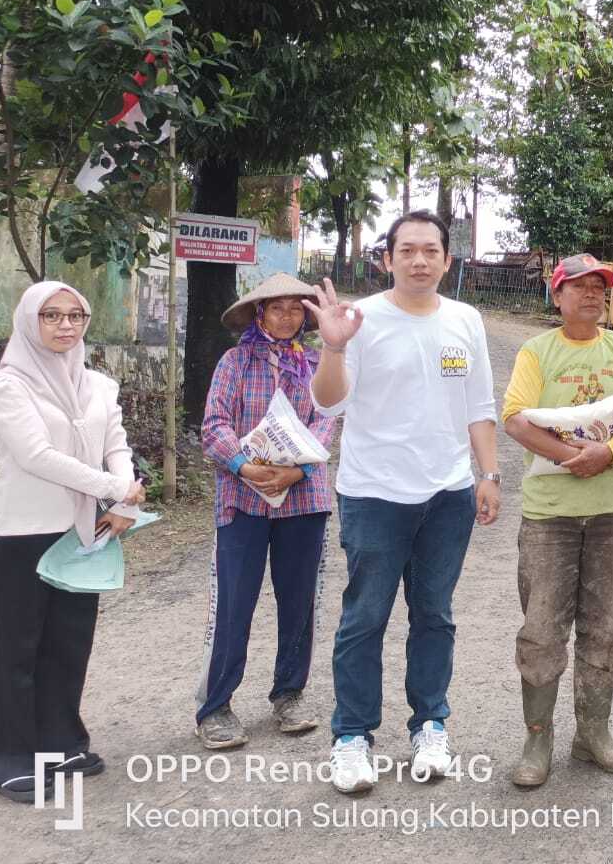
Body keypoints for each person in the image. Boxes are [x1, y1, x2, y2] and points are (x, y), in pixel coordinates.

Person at [306, 210, 502, 795]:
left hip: (447, 494)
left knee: (435, 614)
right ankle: (352, 737)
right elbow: (328, 404)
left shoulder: (465, 319)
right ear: (387, 258)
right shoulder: (360, 319)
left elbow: (479, 403)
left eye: (431, 250)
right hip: (374, 494)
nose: (420, 260)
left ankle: (431, 726)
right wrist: (334, 349)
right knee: (365, 616)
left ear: (447, 259)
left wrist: (487, 474)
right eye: (407, 250)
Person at [0, 282, 145, 802]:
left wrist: (124, 501)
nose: (65, 325)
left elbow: (116, 446)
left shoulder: (99, 385)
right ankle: (10, 756)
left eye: (76, 315)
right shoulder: (5, 388)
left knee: (68, 645)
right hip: (21, 535)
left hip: (83, 531)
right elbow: (34, 455)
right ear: (31, 321)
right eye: (51, 315)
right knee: (17, 650)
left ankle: (60, 744)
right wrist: (112, 488)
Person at [501, 252, 613, 787]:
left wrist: (608, 455)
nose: (592, 295)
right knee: (543, 627)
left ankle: (593, 734)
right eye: (580, 286)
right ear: (557, 292)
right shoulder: (536, 351)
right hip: (550, 515)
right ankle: (537, 736)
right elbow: (516, 420)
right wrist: (575, 457)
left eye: (600, 287)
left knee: (606, 626)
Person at [196, 274, 335, 750]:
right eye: (276, 309)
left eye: (296, 310)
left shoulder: (317, 363)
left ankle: (289, 694)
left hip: (303, 500)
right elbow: (213, 423)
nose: (287, 317)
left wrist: (296, 472)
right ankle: (215, 706)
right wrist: (243, 466)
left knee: (298, 602)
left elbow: (327, 421)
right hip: (242, 501)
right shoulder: (235, 362)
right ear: (259, 313)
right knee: (235, 603)